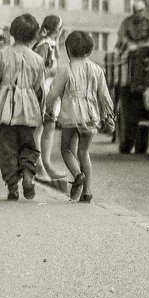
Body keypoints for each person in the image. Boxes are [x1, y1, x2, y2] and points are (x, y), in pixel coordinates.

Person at [0, 13, 45, 201]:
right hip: (29, 110)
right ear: (34, 37)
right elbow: (40, 88)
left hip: (3, 110)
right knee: (29, 145)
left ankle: (12, 186)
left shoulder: (2, 54)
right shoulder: (37, 60)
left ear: (13, 33)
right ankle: (28, 173)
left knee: (5, 147)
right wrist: (41, 109)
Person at [47, 30, 114, 203]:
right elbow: (104, 95)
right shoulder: (97, 70)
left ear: (68, 49)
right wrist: (108, 115)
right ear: (89, 51)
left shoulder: (66, 69)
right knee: (84, 152)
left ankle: (78, 175)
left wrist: (48, 109)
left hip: (71, 115)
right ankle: (88, 192)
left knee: (66, 150)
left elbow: (54, 92)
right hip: (91, 115)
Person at [33, 14, 67, 183]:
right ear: (57, 30)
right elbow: (37, 70)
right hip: (43, 91)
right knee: (40, 128)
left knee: (49, 127)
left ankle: (46, 164)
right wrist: (53, 73)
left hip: (51, 90)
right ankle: (39, 166)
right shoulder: (44, 46)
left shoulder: (52, 45)